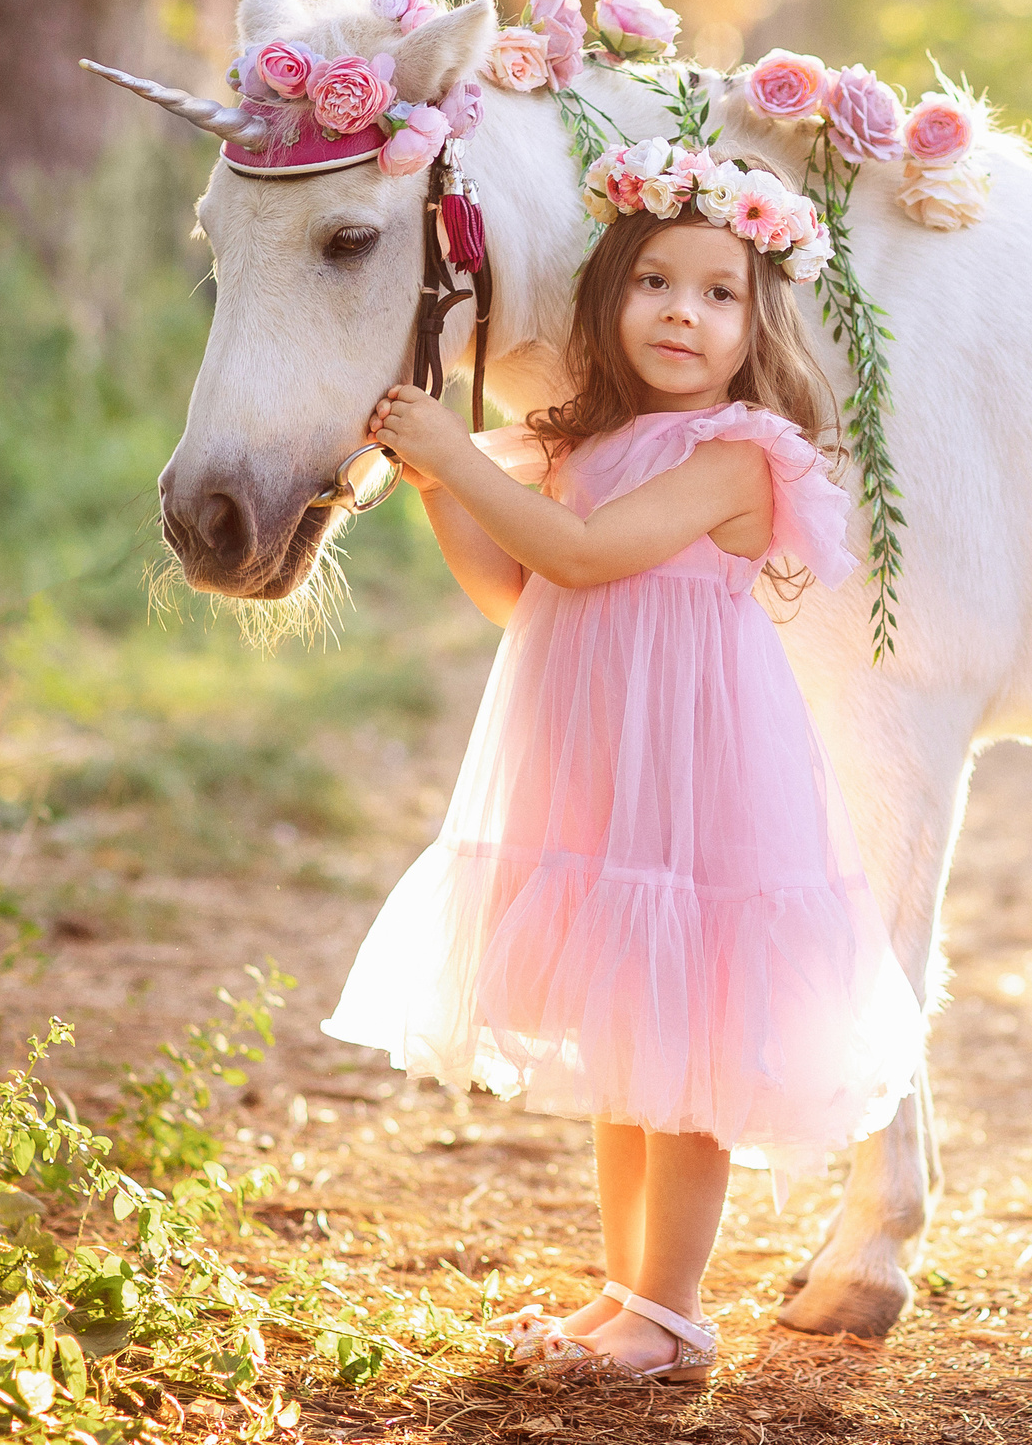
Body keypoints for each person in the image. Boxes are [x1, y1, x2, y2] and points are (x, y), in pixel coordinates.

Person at [321, 143, 923, 1385]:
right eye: (655, 281)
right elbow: (520, 593)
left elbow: (588, 558)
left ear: (756, 323)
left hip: (699, 766)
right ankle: (624, 1290)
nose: (682, 313)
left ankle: (675, 1308)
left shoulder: (735, 453)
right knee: (623, 1043)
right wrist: (441, 483)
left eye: (717, 293)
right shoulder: (590, 444)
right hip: (602, 764)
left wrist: (464, 455)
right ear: (611, 298)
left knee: (688, 1045)